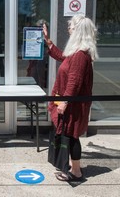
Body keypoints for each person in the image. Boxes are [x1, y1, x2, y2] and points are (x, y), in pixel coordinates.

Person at [43, 15, 98, 182]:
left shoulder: (80, 55)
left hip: (73, 105)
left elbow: (74, 81)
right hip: (72, 103)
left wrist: (65, 102)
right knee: (71, 135)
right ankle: (74, 169)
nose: (69, 30)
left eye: (71, 28)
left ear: (78, 31)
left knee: (72, 136)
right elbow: (62, 57)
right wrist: (49, 42)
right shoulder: (77, 52)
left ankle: (76, 172)